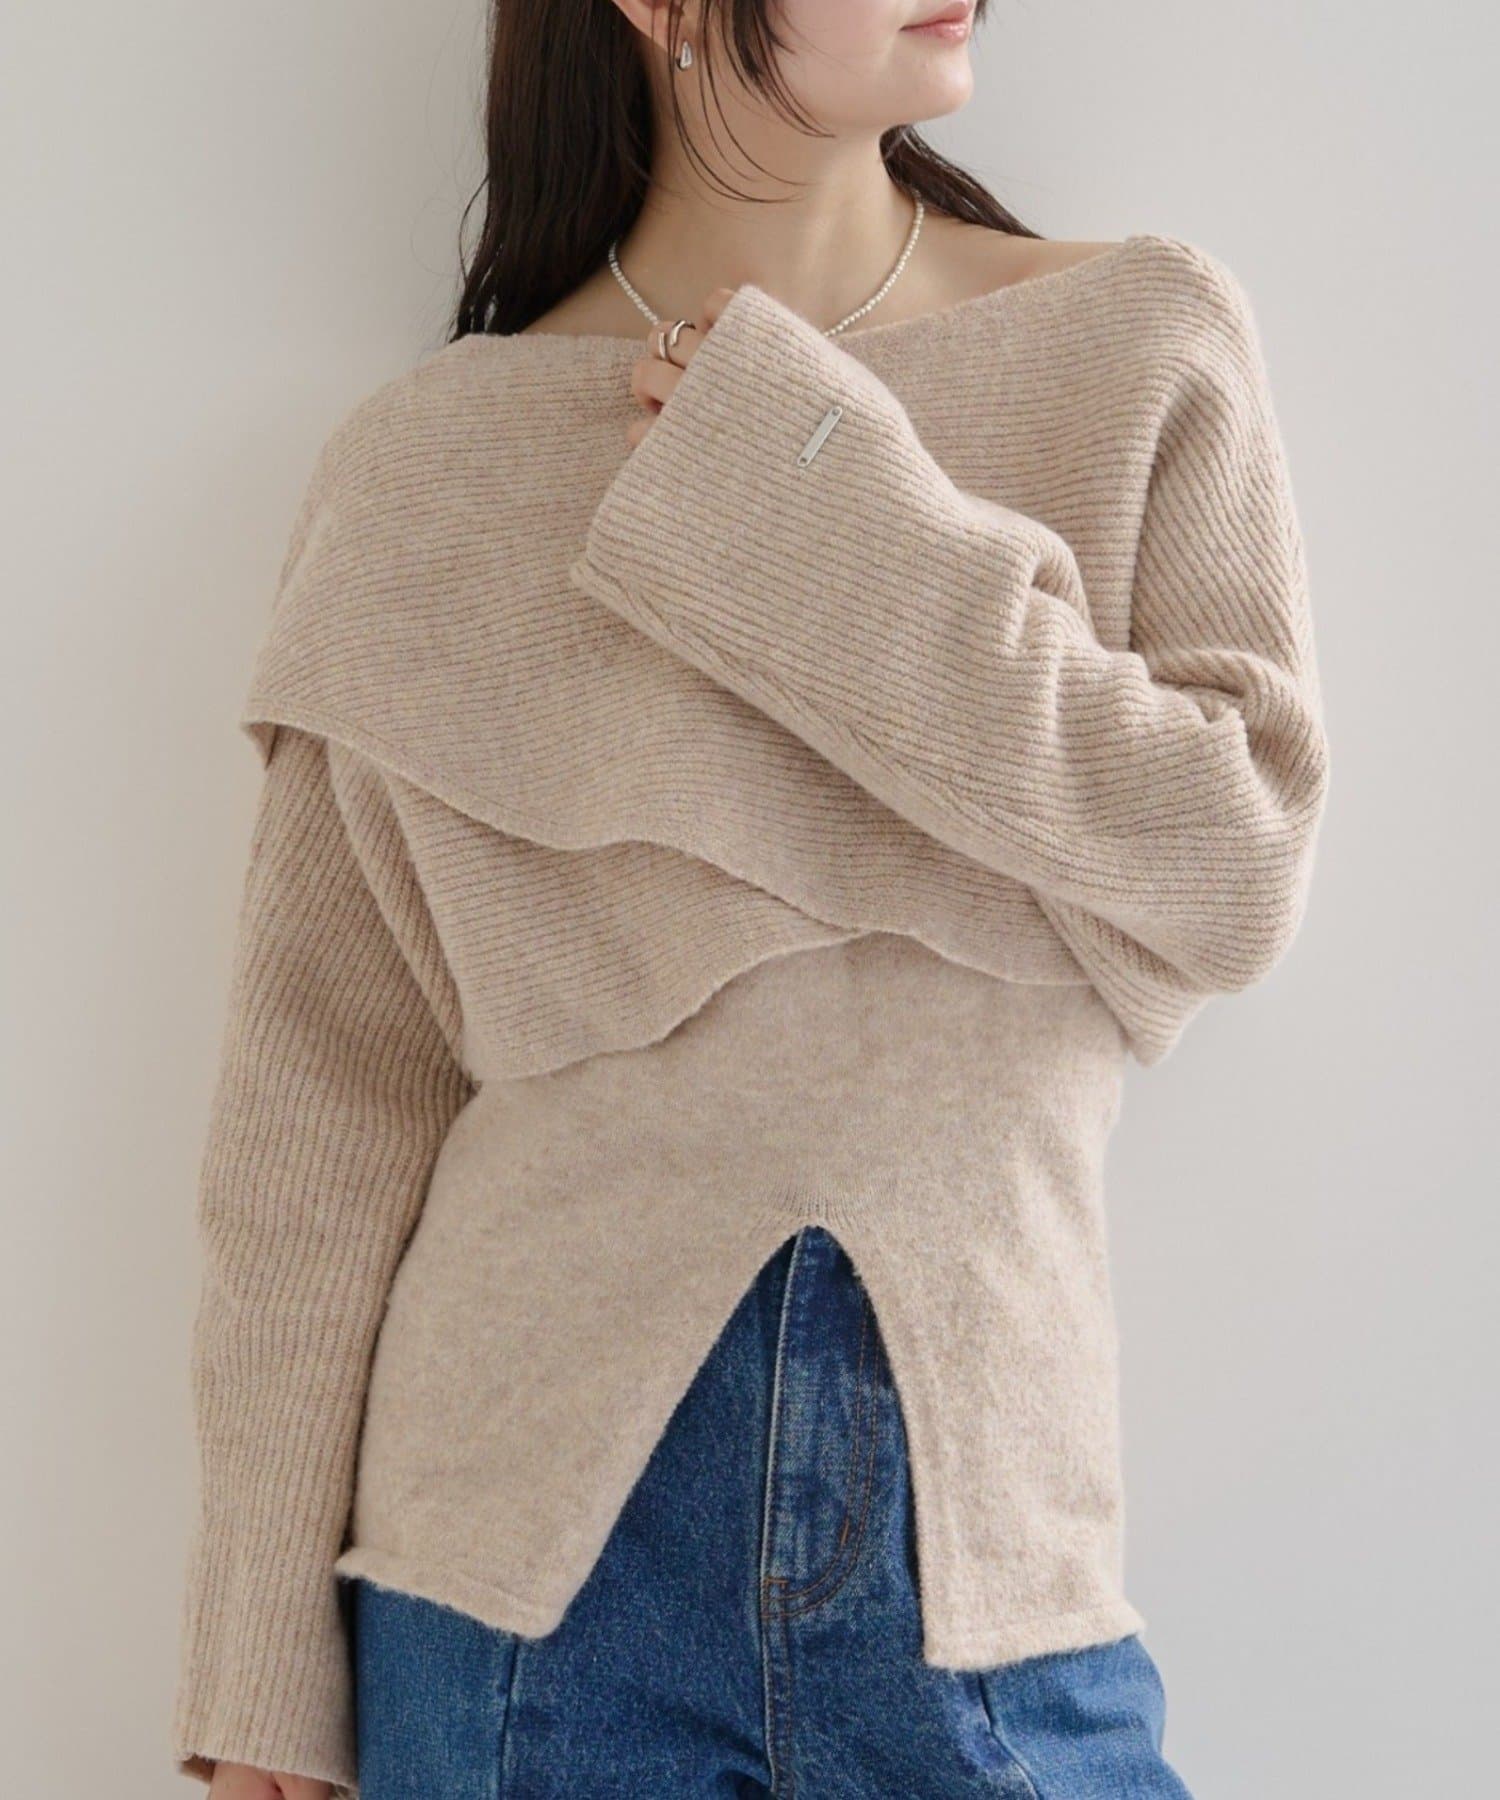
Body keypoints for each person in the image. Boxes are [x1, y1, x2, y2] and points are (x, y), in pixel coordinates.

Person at [171, 1, 1331, 1795]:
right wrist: (259, 1664)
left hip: (996, 1573)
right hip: (510, 1594)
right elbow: (321, 1105)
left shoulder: (1136, 340)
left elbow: (1234, 862)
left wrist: (832, 518)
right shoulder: (421, 467)